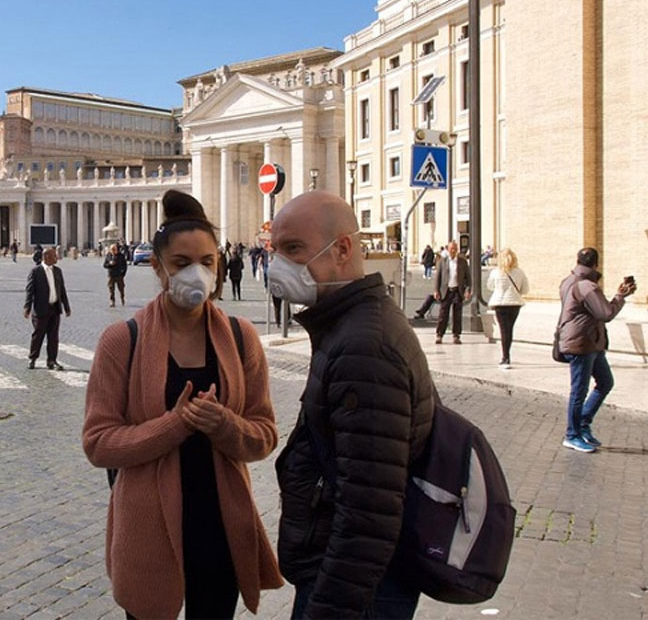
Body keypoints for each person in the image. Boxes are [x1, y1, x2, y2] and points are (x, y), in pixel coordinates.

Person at [82, 189, 282, 619]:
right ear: (157, 267)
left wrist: (223, 424)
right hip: (147, 527)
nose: (197, 273)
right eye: (181, 263)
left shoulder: (242, 336)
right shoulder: (121, 340)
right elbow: (98, 444)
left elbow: (264, 436)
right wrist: (175, 425)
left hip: (222, 525)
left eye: (207, 262)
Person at [268, 191, 434, 619]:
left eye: (293, 249)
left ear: (342, 249)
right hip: (345, 573)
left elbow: (368, 509)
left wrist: (330, 609)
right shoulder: (350, 326)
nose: (278, 264)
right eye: (275, 250)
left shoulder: (364, 346)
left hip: (353, 588)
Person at [558, 247, 636, 453]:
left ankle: (583, 423)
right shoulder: (588, 287)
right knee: (579, 391)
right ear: (596, 264)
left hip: (589, 342)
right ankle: (572, 435)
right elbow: (605, 313)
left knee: (605, 381)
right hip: (582, 343)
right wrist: (620, 296)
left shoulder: (567, 281)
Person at [24, 248, 71, 370]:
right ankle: (32, 358)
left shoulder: (58, 271)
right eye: (54, 256)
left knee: (53, 336)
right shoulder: (36, 271)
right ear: (46, 257)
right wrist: (27, 307)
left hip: (54, 308)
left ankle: (52, 360)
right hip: (40, 309)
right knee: (38, 335)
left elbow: (62, 290)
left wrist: (66, 307)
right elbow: (30, 291)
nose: (57, 258)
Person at [487, 247, 530, 369]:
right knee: (509, 329)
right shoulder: (520, 272)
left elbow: (490, 286)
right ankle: (507, 355)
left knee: (503, 330)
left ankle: (505, 357)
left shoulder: (496, 272)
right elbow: (525, 289)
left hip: (500, 303)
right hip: (514, 303)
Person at [433, 239, 471, 344]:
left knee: (457, 314)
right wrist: (436, 290)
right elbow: (438, 277)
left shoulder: (462, 262)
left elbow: (468, 277)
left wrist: (467, 290)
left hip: (457, 291)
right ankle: (439, 335)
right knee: (443, 314)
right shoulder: (442, 261)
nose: (453, 251)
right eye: (451, 249)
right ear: (448, 249)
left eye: (455, 249)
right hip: (446, 291)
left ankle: (456, 335)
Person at [103, 243, 127, 307]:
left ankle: (122, 297)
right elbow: (104, 265)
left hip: (119, 275)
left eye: (114, 249)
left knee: (121, 288)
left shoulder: (121, 256)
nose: (113, 251)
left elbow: (125, 265)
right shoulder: (108, 255)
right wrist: (109, 264)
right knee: (111, 289)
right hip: (111, 275)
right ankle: (112, 301)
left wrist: (123, 273)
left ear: (117, 249)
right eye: (111, 249)